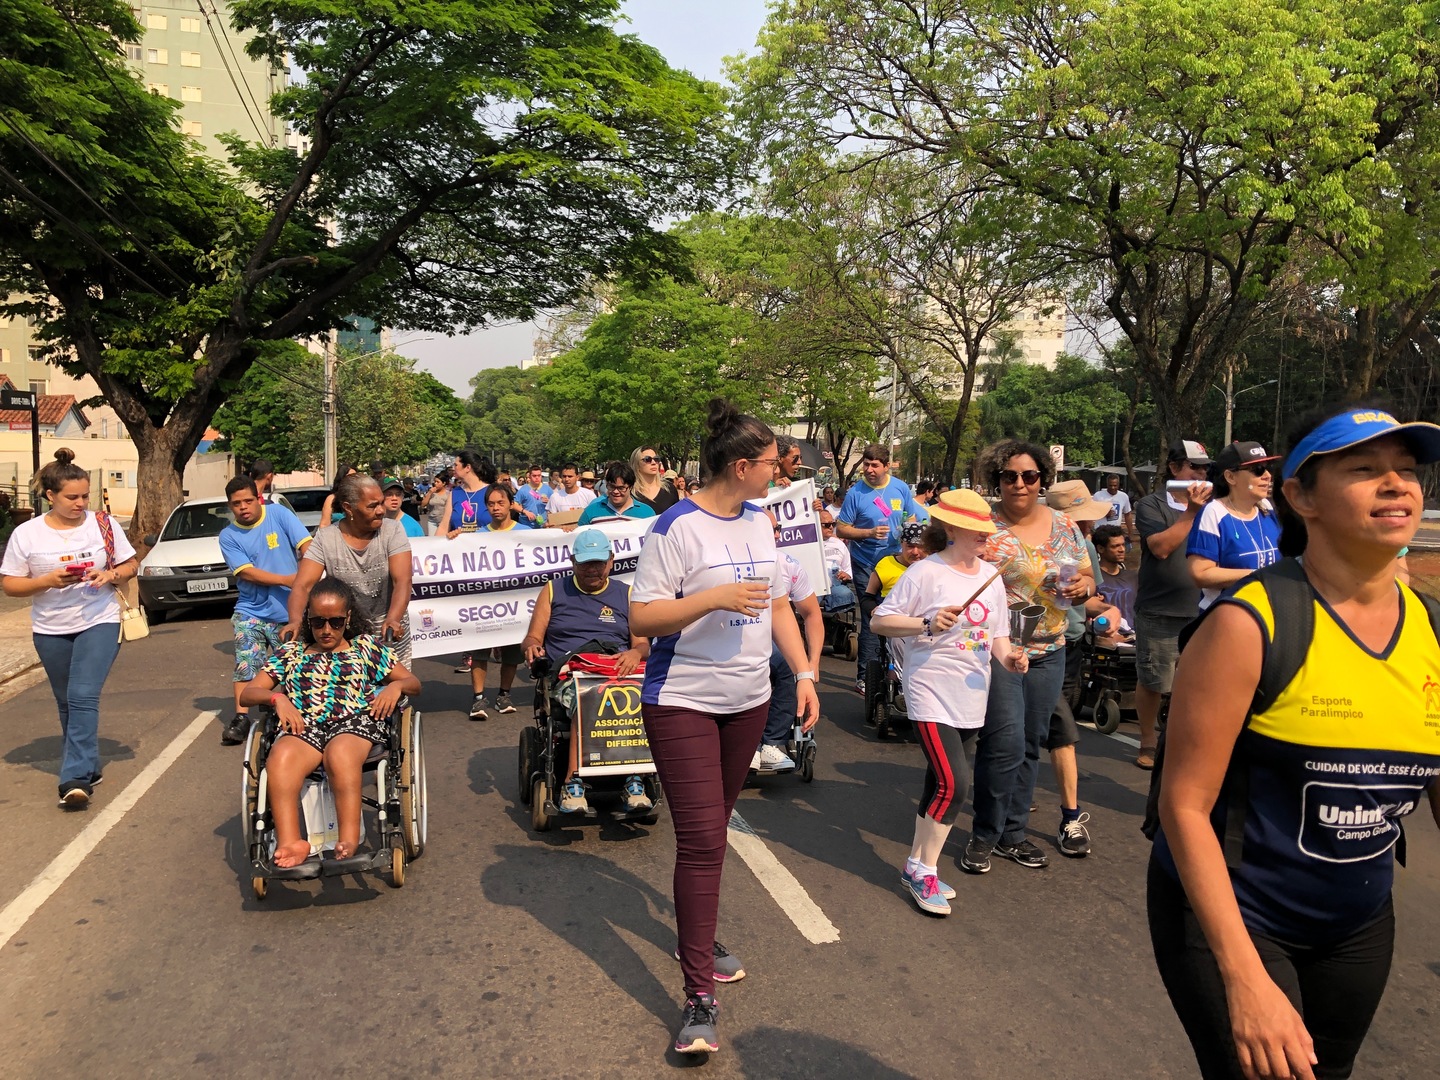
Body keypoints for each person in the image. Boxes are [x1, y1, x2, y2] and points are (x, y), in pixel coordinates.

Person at [1149, 403, 1440, 1080]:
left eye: (1406, 470)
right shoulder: (1251, 623)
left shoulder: (1430, 629)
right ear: (1301, 496)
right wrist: (1245, 979)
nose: (1396, 484)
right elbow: (1183, 806)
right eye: (1365, 469)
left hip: (1358, 920)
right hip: (1238, 913)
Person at [630, 398, 819, 1058]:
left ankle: (700, 931)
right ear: (741, 466)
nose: (780, 471)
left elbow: (777, 606)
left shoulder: (761, 522)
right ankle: (699, 998)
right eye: (772, 463)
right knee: (706, 839)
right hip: (681, 698)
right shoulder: (675, 528)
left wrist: (803, 673)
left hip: (747, 698)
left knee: (715, 829)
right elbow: (644, 619)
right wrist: (708, 598)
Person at [872, 489, 1026, 915]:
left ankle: (916, 866)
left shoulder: (991, 577)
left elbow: (998, 637)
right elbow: (879, 620)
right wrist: (925, 621)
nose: (985, 536)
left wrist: (1011, 657)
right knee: (954, 784)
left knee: (936, 784)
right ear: (954, 529)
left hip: (972, 694)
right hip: (930, 690)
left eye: (987, 530)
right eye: (978, 530)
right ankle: (925, 871)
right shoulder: (925, 573)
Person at [966, 440, 1095, 874]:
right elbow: (952, 570)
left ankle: (1013, 833)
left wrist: (1083, 589)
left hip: (1051, 649)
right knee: (1003, 741)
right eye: (1008, 476)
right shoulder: (984, 526)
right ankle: (985, 832)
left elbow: (1087, 575)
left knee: (1031, 742)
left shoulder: (1064, 525)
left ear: (1043, 479)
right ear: (995, 479)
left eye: (1029, 476)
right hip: (999, 649)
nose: (1019, 484)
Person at [242, 578, 420, 868]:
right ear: (307, 620)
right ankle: (291, 842)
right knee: (280, 757)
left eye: (336, 622)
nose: (326, 630)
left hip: (354, 723)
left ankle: (348, 838)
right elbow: (250, 692)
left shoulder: (365, 648)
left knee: (339, 753)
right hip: (305, 726)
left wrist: (394, 688)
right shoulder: (292, 653)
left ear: (348, 617)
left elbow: (413, 682)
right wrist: (279, 700)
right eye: (318, 622)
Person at [0, 448, 138, 809]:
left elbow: (131, 564)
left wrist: (110, 574)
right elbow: (11, 585)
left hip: (99, 619)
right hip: (50, 628)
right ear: (50, 496)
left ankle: (74, 778)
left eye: (85, 495)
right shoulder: (26, 534)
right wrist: (45, 581)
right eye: (71, 497)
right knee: (66, 702)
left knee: (81, 696)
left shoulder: (102, 524)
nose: (81, 503)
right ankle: (89, 766)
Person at [520, 529, 652, 813]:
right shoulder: (554, 590)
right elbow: (533, 637)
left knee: (638, 699)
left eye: (598, 563)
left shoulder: (626, 594)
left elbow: (642, 644)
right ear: (573, 562)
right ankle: (572, 781)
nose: (592, 570)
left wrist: (634, 652)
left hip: (616, 671)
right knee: (589, 698)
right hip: (571, 673)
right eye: (585, 564)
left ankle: (634, 778)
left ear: (611, 561)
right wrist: (532, 647)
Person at [1132, 440, 1213, 770]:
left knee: (1198, 682)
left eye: (1205, 468)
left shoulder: (1215, 507)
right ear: (1175, 468)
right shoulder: (1152, 505)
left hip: (1203, 609)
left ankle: (1184, 739)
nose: (1201, 473)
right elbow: (1161, 548)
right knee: (1155, 680)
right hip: (1160, 608)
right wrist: (1192, 512)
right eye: (1194, 467)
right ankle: (1148, 740)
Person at [218, 476, 312, 746]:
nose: (243, 507)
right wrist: (286, 579)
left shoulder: (278, 514)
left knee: (294, 667)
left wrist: (307, 573)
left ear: (258, 498)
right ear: (230, 506)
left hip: (290, 611)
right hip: (252, 611)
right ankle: (241, 717)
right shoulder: (228, 536)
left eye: (248, 500)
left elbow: (306, 545)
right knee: (246, 662)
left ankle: (294, 711)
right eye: (237, 504)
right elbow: (247, 573)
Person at [285, 473, 413, 668]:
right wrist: (295, 621)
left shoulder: (392, 530)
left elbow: (402, 580)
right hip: (346, 628)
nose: (381, 510)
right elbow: (303, 585)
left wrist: (394, 619)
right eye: (372, 506)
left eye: (381, 503)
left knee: (395, 690)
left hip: (388, 625)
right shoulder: (326, 538)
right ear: (348, 508)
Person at [836, 443, 924, 694]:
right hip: (866, 562)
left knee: (903, 615)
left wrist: (907, 540)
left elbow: (911, 519)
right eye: (866, 464)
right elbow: (841, 529)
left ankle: (900, 672)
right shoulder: (856, 493)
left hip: (896, 562)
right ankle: (865, 676)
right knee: (873, 616)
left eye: (875, 465)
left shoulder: (900, 488)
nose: (869, 469)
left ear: (887, 466)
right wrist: (868, 533)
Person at [755, 511, 824, 772]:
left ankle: (771, 743)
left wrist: (812, 662)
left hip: (777, 639)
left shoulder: (788, 565)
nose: (775, 534)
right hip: (737, 638)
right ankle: (751, 744)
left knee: (787, 664)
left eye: (777, 528)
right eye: (768, 528)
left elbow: (811, 613)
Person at [1187, 440, 1282, 612]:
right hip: (1225, 618)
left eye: (1268, 468)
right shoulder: (1214, 513)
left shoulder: (1267, 508)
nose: (1267, 475)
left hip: (1267, 615)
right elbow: (1200, 573)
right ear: (1230, 477)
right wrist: (1258, 576)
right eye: (1257, 470)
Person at [578, 462, 658, 525]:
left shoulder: (647, 513)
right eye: (611, 487)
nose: (615, 492)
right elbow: (578, 537)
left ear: (630, 487)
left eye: (621, 488)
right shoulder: (591, 511)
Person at [1091, 524, 1137, 629]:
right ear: (1101, 549)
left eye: (1123, 545)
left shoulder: (1133, 577)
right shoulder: (1092, 579)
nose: (1122, 550)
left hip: (1134, 638)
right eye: (1115, 546)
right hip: (1104, 638)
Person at [439, 450, 491, 537]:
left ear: (467, 467)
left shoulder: (491, 491)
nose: (453, 468)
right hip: (460, 548)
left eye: (456, 465)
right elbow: (444, 527)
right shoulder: (455, 493)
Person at [818, 511, 855, 612]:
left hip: (835, 582)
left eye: (833, 524)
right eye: (826, 525)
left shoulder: (839, 544)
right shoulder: (808, 543)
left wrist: (846, 575)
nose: (831, 527)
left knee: (845, 594)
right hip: (815, 584)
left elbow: (848, 569)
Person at [631, 445, 679, 514]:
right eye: (647, 459)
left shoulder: (669, 488)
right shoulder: (630, 491)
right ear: (637, 464)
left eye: (656, 459)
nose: (653, 463)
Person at [318, 462, 358, 528]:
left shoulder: (361, 497)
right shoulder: (332, 499)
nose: (353, 480)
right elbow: (324, 524)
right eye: (350, 477)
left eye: (356, 477)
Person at [419, 468, 451, 535]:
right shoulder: (432, 492)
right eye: (435, 481)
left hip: (443, 521)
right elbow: (423, 504)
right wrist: (430, 493)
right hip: (432, 521)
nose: (435, 483)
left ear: (444, 483)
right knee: (432, 540)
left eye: (438, 482)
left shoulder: (448, 494)